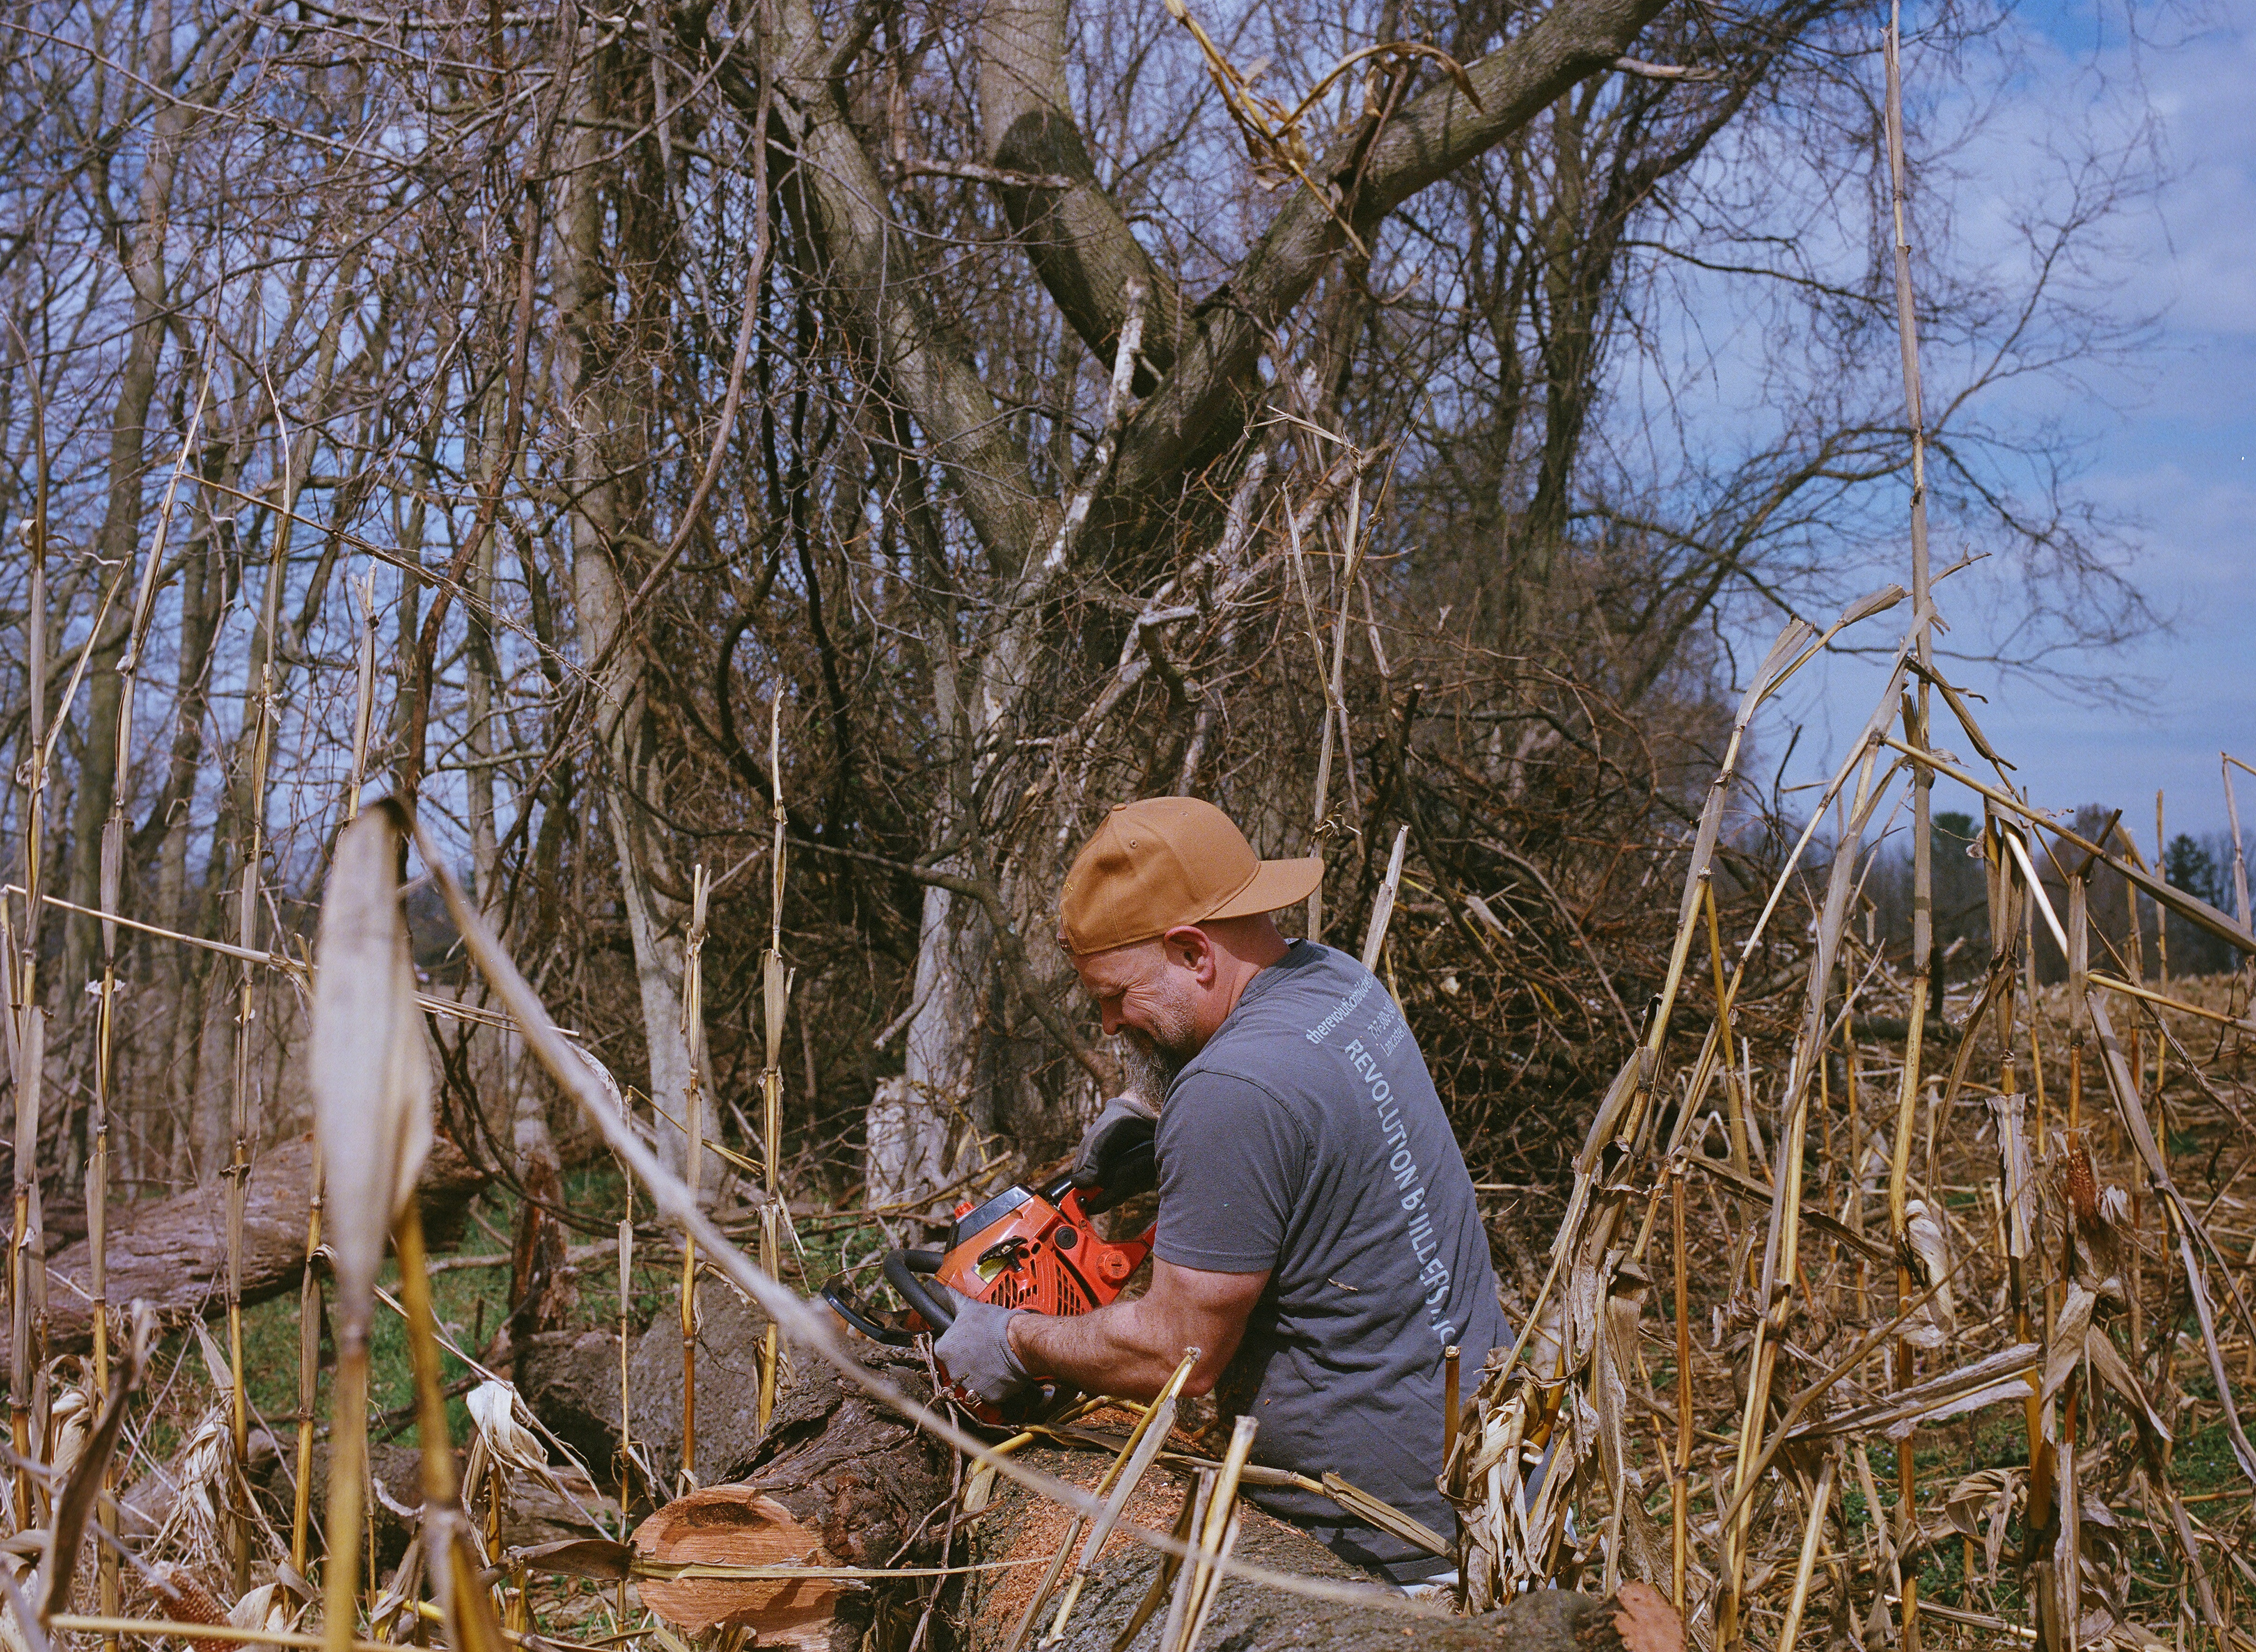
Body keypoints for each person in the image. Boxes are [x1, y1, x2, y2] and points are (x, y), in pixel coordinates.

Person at [933, 796, 1508, 1585]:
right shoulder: (1334, 982)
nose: (1105, 1023)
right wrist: (1159, 1121)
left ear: (1194, 952)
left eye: (1115, 993)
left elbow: (1179, 1356)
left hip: (1385, 1541)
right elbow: (1302, 1112)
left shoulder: (1234, 1091)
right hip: (1496, 1482)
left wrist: (1012, 1340)